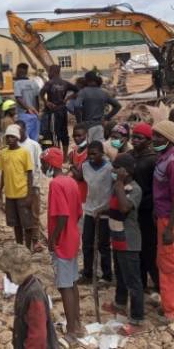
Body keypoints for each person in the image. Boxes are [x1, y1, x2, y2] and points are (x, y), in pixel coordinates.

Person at [43, 147, 82, 342]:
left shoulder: (56, 184)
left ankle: (72, 332)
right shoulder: (72, 182)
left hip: (63, 242)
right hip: (74, 237)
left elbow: (62, 216)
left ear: (50, 164)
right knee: (73, 282)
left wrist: (52, 240)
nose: (42, 166)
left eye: (44, 162)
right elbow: (77, 212)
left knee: (65, 286)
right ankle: (78, 324)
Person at [102, 153, 145, 331]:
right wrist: (100, 210)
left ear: (125, 171)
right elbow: (112, 205)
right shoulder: (118, 187)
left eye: (116, 168)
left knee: (133, 281)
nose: (112, 170)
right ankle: (120, 304)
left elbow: (124, 207)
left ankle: (137, 318)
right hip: (117, 238)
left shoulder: (134, 189)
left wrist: (119, 183)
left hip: (129, 241)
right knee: (120, 275)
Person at [0, 244, 58, 349]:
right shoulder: (25, 286)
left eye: (7, 273)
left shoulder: (34, 295)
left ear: (17, 271)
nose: (6, 277)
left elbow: (38, 337)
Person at [77, 141, 114, 286]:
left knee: (103, 245)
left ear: (102, 153)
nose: (91, 157)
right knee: (87, 243)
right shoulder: (85, 166)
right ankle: (88, 272)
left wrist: (107, 208)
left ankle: (107, 275)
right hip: (90, 210)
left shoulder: (109, 168)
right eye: (89, 154)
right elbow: (80, 177)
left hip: (104, 212)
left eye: (94, 154)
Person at [129, 122, 159, 292]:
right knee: (136, 249)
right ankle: (141, 283)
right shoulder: (130, 155)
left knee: (149, 249)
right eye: (133, 137)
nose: (135, 140)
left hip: (147, 211)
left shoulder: (153, 159)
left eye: (139, 138)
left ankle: (158, 285)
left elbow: (156, 188)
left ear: (148, 140)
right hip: (132, 211)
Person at [0, 125, 37, 251]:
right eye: (8, 137)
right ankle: (20, 247)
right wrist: (0, 191)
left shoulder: (24, 152)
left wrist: (30, 194)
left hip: (22, 193)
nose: (10, 139)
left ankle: (27, 248)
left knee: (27, 223)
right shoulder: (3, 153)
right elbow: (3, 173)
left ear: (17, 138)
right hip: (9, 195)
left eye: (12, 137)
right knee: (15, 223)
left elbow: (29, 173)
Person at [152, 120, 174, 319]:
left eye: (159, 136)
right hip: (162, 216)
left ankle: (170, 311)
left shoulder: (172, 162)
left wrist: (170, 229)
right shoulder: (164, 157)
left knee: (167, 265)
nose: (155, 139)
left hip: (169, 220)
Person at [17, 120, 45, 253]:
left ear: (24, 130)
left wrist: (35, 185)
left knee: (34, 213)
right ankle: (21, 242)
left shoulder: (33, 145)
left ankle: (35, 241)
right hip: (18, 186)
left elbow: (38, 167)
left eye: (19, 129)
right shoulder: (13, 145)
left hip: (33, 185)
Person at [40, 65, 78, 156]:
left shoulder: (49, 83)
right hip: (62, 111)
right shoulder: (65, 83)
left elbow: (41, 93)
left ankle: (57, 155)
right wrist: (68, 98)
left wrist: (47, 102)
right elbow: (77, 90)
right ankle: (64, 156)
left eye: (49, 71)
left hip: (53, 112)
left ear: (53, 71)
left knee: (54, 134)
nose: (48, 73)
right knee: (64, 133)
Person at [75, 71, 121, 143]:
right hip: (99, 126)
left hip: (87, 126)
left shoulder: (83, 92)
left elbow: (77, 106)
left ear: (87, 80)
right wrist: (106, 117)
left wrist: (79, 123)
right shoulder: (103, 93)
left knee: (86, 149)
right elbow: (118, 106)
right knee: (97, 148)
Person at [13, 63, 40, 142]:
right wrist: (36, 112)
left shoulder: (17, 84)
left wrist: (28, 108)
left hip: (24, 115)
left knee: (24, 139)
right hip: (34, 115)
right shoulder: (34, 83)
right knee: (35, 139)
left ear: (18, 71)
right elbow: (37, 99)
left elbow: (19, 98)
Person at [68, 123, 90, 203]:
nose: (76, 138)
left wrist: (71, 166)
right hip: (73, 190)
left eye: (79, 136)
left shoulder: (90, 152)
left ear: (86, 135)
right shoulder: (74, 151)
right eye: (74, 136)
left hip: (84, 192)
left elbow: (80, 176)